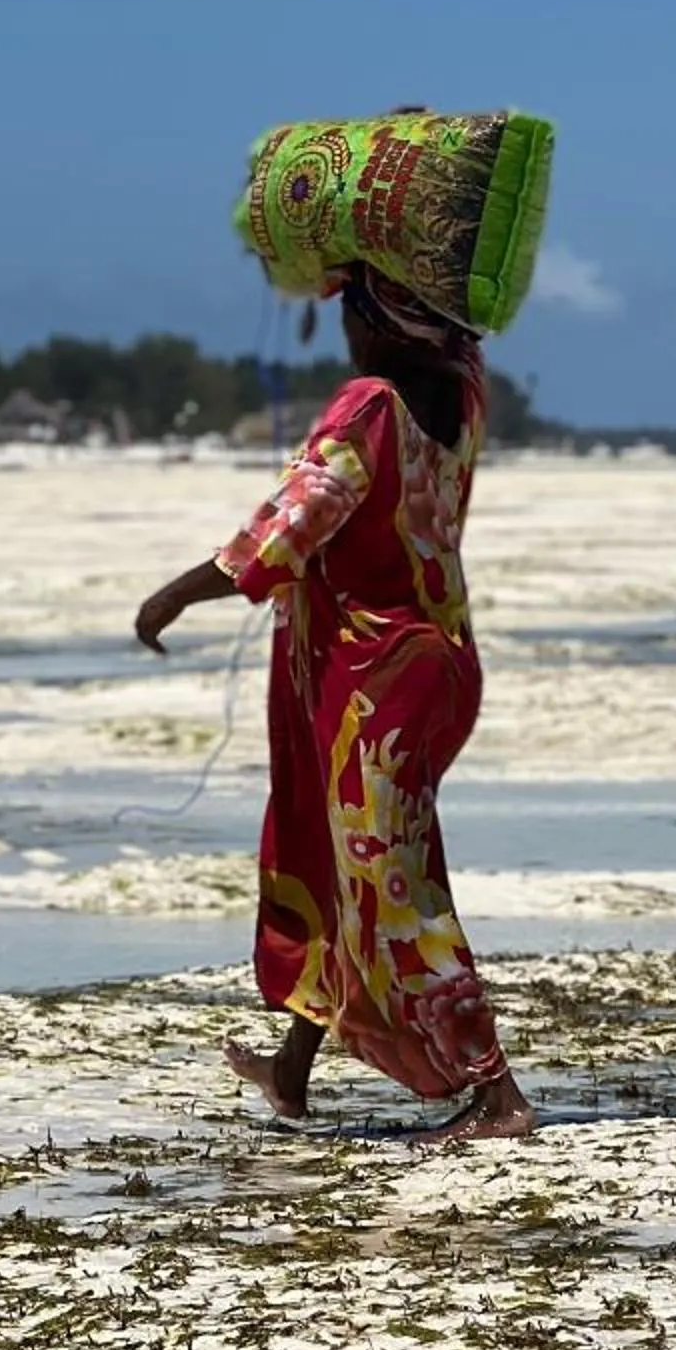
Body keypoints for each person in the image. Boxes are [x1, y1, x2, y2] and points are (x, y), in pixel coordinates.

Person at [134, 262, 536, 1145]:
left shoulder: (368, 406)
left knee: (395, 885)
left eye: (356, 312)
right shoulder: (463, 392)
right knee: (344, 861)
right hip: (434, 662)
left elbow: (293, 526)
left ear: (387, 324)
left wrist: (176, 593)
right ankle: (292, 1065)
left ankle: (496, 1092)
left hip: (376, 682)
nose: (348, 332)